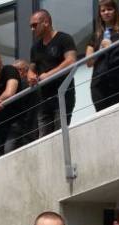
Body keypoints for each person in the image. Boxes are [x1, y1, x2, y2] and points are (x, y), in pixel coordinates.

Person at [28, 10, 78, 138]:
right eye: (31, 26)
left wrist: (48, 75)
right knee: (44, 140)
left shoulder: (64, 39)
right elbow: (31, 69)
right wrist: (31, 76)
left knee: (60, 136)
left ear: (46, 22)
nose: (32, 29)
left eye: (34, 25)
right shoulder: (35, 48)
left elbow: (71, 61)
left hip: (62, 95)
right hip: (43, 99)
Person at [86, 0, 119, 112]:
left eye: (109, 9)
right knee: (102, 116)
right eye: (103, 10)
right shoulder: (96, 34)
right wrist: (100, 49)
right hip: (99, 83)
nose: (106, 12)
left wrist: (113, 45)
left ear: (115, 11)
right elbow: (89, 62)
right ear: (99, 14)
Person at [12, 59, 41, 144]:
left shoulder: (24, 84)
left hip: (27, 127)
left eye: (14, 71)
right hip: (31, 126)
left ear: (21, 71)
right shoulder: (32, 83)